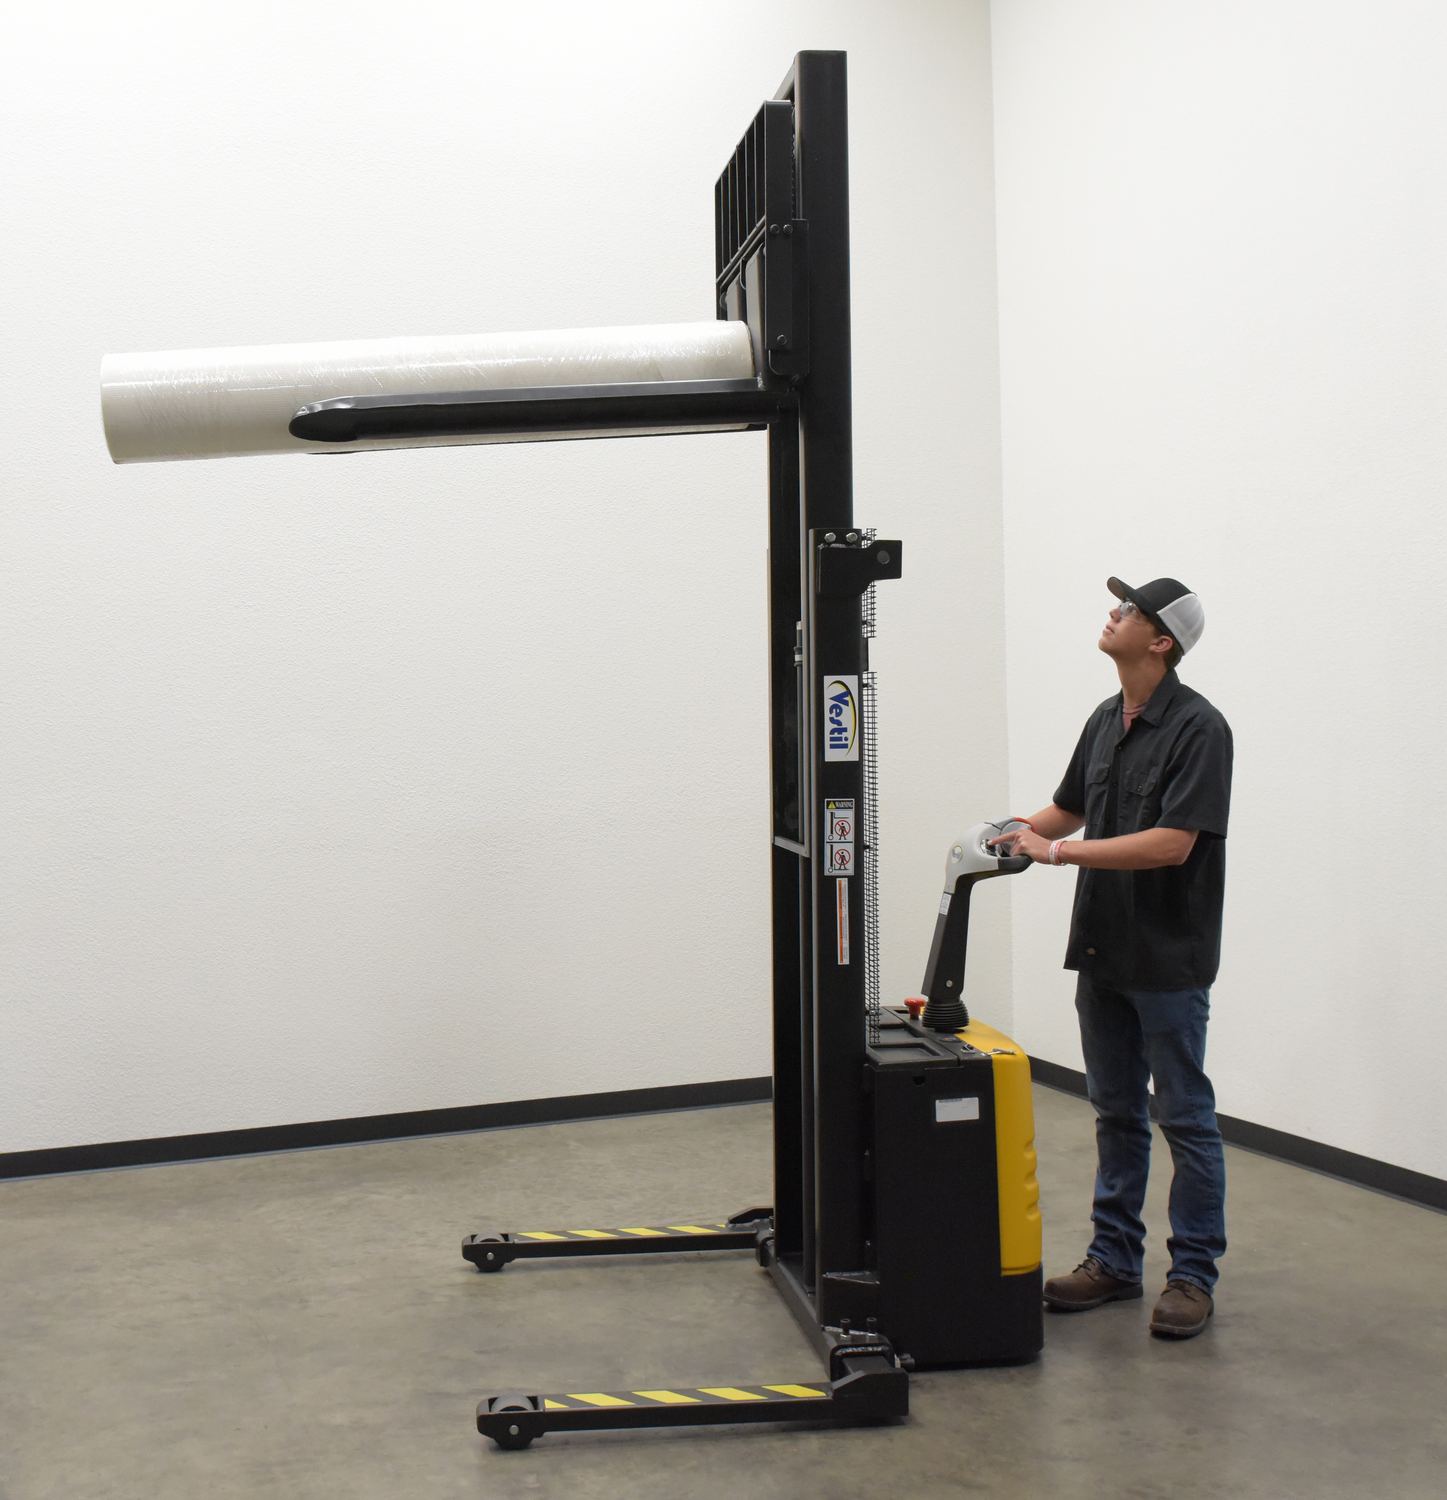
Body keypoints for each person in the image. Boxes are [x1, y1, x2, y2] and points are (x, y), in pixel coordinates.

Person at [995, 576, 1232, 1340]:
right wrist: (1005, 834)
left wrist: (1056, 852)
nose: (1112, 614)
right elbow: (1069, 807)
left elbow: (1172, 844)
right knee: (1116, 1113)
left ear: (1159, 641)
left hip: (1166, 958)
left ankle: (1190, 1277)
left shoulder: (1200, 728)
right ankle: (1113, 1262)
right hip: (1102, 949)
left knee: (1184, 1118)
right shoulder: (1104, 718)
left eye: (1128, 610)